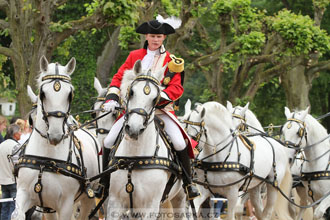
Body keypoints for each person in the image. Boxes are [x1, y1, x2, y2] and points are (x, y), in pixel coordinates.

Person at [96, 15, 200, 200]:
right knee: (108, 141)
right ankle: (104, 183)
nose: (155, 39)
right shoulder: (134, 56)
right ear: (146, 36)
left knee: (179, 142)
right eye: (152, 36)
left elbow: (176, 87)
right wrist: (111, 98)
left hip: (161, 110)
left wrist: (158, 98)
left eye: (159, 37)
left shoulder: (172, 61)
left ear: (164, 38)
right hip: (134, 110)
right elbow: (118, 77)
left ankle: (188, 182)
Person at [0, 124, 21, 220]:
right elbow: (18, 166)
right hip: (13, 181)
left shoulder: (1, 145)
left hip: (3, 180)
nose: (21, 133)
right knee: (13, 208)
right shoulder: (15, 146)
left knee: (5, 208)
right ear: (15, 134)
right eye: (20, 131)